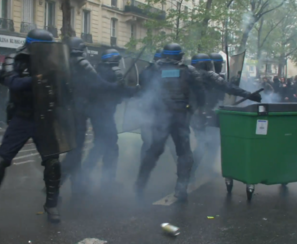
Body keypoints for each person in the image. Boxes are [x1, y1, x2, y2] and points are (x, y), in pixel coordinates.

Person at [0, 29, 66, 225]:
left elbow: (64, 87)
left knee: (53, 163)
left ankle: (52, 205)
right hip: (22, 117)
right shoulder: (15, 58)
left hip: (45, 117)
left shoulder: (53, 61)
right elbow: (12, 82)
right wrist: (38, 79)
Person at [134, 43, 205, 200]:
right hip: (180, 117)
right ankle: (181, 189)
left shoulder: (154, 70)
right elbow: (200, 93)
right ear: (180, 55)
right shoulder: (188, 71)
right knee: (185, 154)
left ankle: (139, 185)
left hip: (161, 117)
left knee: (153, 151)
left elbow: (143, 84)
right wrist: (195, 109)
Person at [61, 38, 130, 192]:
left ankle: (81, 179)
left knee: (96, 146)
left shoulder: (91, 67)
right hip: (100, 114)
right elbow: (106, 88)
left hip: (85, 112)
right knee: (108, 146)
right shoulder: (94, 68)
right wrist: (122, 88)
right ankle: (105, 181)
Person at [82, 48, 136, 187]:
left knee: (101, 145)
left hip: (100, 114)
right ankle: (107, 180)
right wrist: (135, 90)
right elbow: (119, 91)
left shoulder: (99, 71)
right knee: (110, 146)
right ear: (113, 60)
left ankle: (86, 175)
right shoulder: (111, 73)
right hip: (103, 114)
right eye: (117, 60)